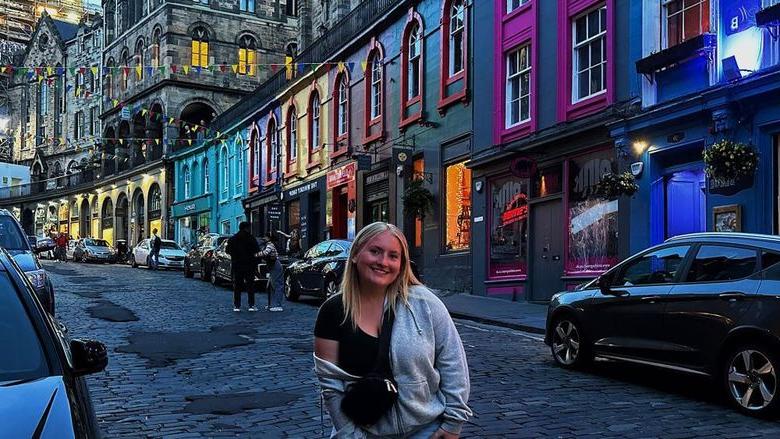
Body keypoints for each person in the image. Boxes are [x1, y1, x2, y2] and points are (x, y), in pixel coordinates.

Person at [313, 222, 471, 438]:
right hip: (363, 432)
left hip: (427, 429)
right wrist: (349, 434)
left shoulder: (426, 304)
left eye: (393, 256)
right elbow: (331, 385)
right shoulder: (333, 311)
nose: (383, 262)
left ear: (402, 264)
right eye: (375, 251)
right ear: (356, 254)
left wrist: (453, 422)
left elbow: (453, 362)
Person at [226, 221, 260, 312]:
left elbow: (227, 250)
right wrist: (255, 261)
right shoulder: (251, 238)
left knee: (237, 286)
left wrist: (235, 256)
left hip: (237, 265)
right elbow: (257, 250)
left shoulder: (233, 239)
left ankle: (237, 306)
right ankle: (251, 305)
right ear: (247, 228)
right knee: (250, 286)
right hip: (249, 265)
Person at [258, 233, 284, 312]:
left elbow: (265, 253)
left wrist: (255, 254)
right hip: (272, 266)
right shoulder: (267, 244)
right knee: (270, 286)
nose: (263, 238)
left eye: (265, 237)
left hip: (275, 266)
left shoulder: (270, 245)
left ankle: (278, 305)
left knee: (277, 284)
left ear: (268, 238)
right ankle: (271, 304)